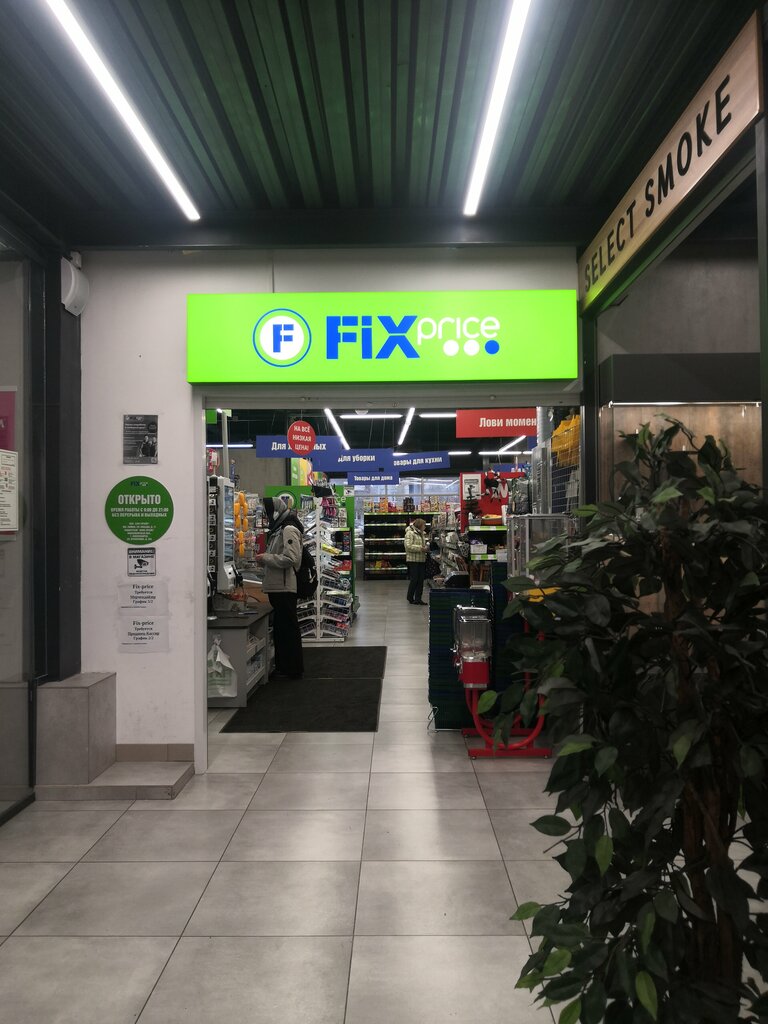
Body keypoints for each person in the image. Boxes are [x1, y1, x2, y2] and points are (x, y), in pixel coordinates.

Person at [256, 496, 304, 679]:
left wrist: (266, 558)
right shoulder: (278, 529)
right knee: (282, 629)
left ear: (275, 512)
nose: (266, 517)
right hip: (278, 586)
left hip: (285, 587)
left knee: (287, 629)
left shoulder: (288, 529)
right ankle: (284, 667)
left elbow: (291, 558)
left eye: (268, 513)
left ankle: (292, 669)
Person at [404, 517, 428, 605]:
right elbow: (408, 546)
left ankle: (418, 599)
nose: (425, 527)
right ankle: (410, 597)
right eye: (424, 525)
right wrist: (421, 548)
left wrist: (426, 547)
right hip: (413, 560)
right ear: (419, 525)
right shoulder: (410, 533)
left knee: (421, 580)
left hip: (421, 559)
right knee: (414, 579)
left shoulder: (422, 534)